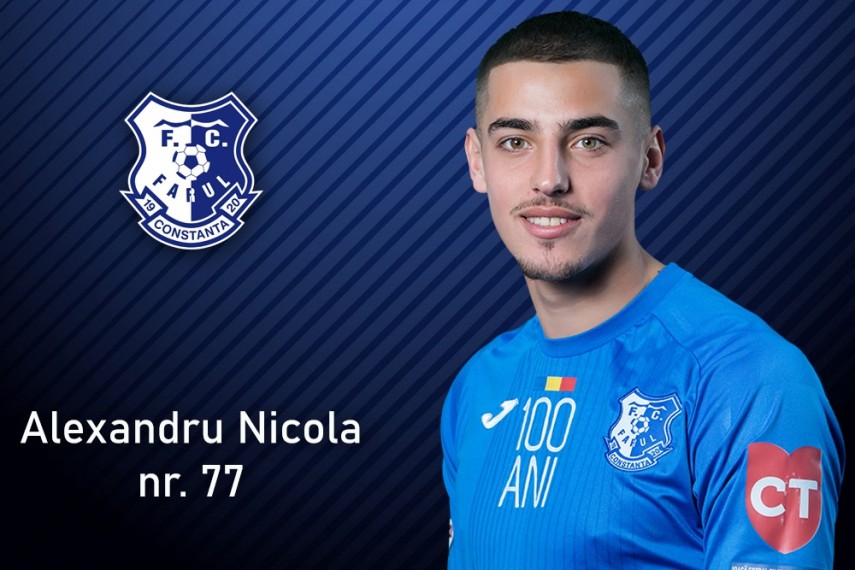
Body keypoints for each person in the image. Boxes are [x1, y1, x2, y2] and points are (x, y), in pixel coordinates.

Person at [441, 10, 844, 569]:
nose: (549, 179)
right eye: (515, 141)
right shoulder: (478, 386)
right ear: (476, 161)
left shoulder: (750, 380)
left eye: (588, 141)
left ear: (649, 159)